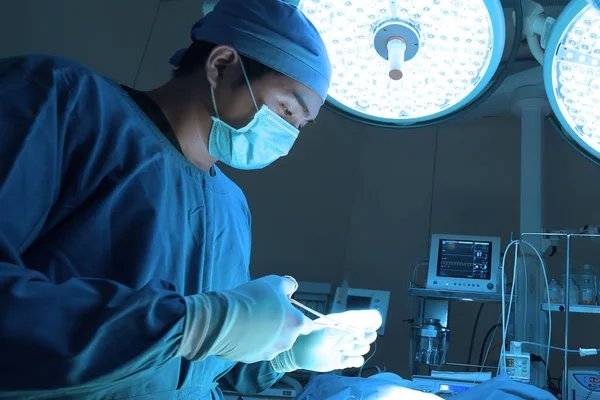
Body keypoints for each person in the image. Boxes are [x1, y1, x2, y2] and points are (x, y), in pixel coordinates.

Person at [0, 0, 380, 399]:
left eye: (300, 126)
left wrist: (286, 354)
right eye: (286, 109)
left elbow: (198, 372)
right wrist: (195, 324)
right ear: (221, 65)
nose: (288, 136)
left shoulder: (231, 206)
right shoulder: (64, 103)